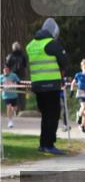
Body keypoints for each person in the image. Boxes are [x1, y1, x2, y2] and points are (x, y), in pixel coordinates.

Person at [27, 18, 70, 155]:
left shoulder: (31, 45)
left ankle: (43, 144)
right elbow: (64, 60)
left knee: (46, 115)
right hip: (51, 85)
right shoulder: (51, 43)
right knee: (53, 114)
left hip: (38, 85)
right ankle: (49, 144)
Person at [6, 42, 28, 111]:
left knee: (14, 93)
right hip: (21, 76)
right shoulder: (23, 55)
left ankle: (15, 110)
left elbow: (7, 66)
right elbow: (25, 66)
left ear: (13, 48)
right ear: (19, 48)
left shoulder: (10, 56)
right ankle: (22, 109)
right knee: (22, 93)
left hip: (12, 77)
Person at [72, 59, 85, 133]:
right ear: (81, 67)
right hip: (81, 93)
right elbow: (73, 83)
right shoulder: (78, 75)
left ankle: (82, 125)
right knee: (84, 106)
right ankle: (79, 116)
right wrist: (72, 91)